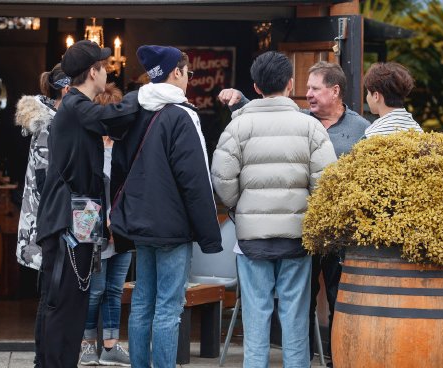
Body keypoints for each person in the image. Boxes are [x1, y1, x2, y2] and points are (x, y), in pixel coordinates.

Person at [218, 61, 370, 367]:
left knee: (256, 314)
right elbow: (324, 182)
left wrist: (240, 208)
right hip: (298, 237)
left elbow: (222, 180)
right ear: (290, 84)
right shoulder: (310, 126)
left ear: (257, 88)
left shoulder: (237, 126)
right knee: (296, 314)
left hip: (252, 240)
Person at [107, 45, 223, 368]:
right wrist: (209, 233)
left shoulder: (134, 109)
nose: (189, 78)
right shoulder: (182, 116)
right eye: (188, 73)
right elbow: (194, 180)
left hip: (141, 225)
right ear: (177, 73)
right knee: (169, 307)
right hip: (172, 228)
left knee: (143, 301)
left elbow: (118, 164)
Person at [35, 40, 139, 368]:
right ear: (93, 71)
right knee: (63, 302)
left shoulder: (78, 106)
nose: (108, 73)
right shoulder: (77, 105)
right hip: (67, 219)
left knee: (73, 300)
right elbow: (114, 116)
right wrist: (146, 94)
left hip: (81, 215)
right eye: (104, 68)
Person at [15, 63, 70, 368]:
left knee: (49, 297)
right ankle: (43, 361)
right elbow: (46, 181)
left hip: (46, 222)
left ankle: (44, 360)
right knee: (51, 297)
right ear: (66, 87)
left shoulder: (51, 119)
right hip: (47, 225)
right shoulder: (49, 124)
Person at [79, 83, 131, 367]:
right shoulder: (88, 145)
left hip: (122, 227)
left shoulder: (124, 145)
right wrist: (102, 222)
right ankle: (87, 344)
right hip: (93, 227)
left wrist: (118, 221)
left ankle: (110, 344)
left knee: (114, 289)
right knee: (95, 289)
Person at [363, 61, 423, 138]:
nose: (367, 97)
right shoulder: (418, 130)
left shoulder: (372, 135)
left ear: (376, 96)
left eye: (368, 92)